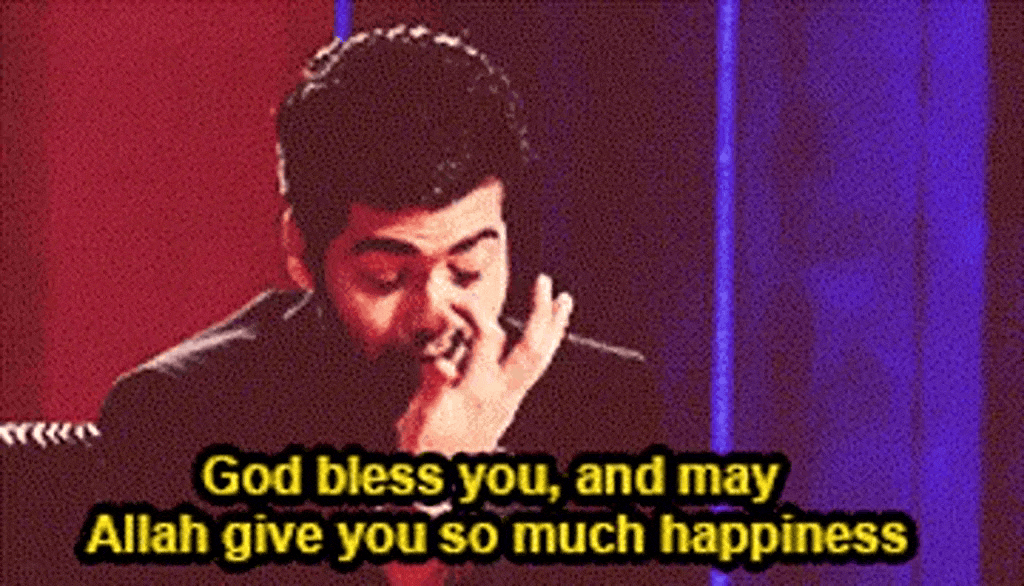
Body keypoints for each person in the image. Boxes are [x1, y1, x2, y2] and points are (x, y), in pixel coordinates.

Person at [96, 24, 679, 585]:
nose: (435, 312)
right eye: (387, 277)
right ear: (301, 250)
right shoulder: (182, 417)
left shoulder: (604, 405)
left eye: (470, 268)